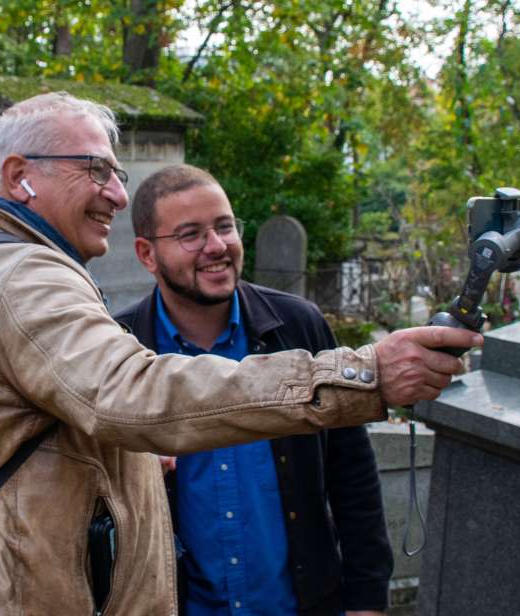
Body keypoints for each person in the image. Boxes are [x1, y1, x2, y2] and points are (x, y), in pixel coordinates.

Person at [0, 92, 479, 615]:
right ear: (19, 175)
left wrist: (122, 461)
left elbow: (27, 439)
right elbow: (135, 396)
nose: (118, 193)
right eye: (96, 170)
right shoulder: (24, 277)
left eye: (117, 173)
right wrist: (366, 373)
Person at [113, 164, 393, 616]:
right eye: (191, 234)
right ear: (147, 254)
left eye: (225, 226)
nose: (217, 246)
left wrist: (367, 600)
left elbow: (352, 472)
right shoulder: (120, 347)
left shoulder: (298, 326)